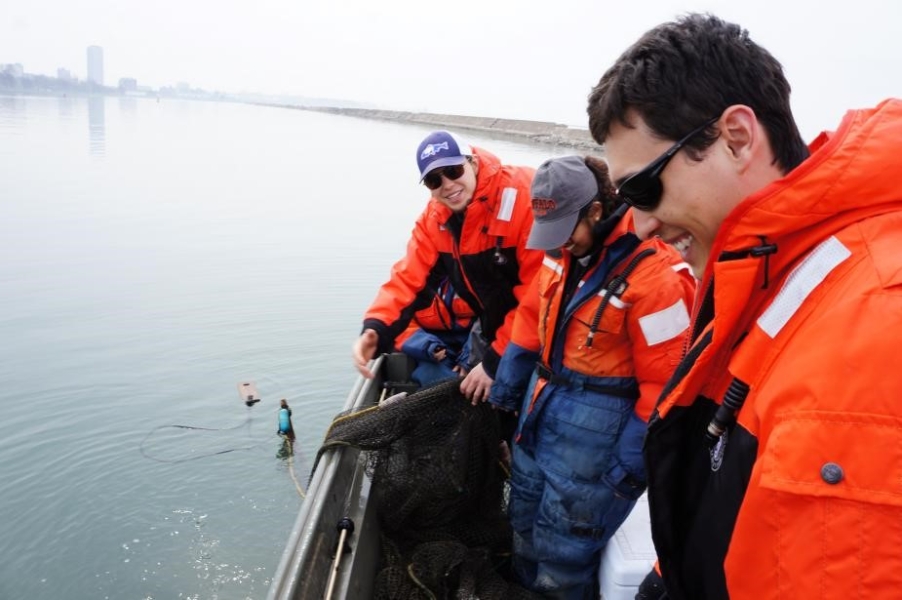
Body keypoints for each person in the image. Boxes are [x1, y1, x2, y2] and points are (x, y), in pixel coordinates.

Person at [587, 13, 902, 600]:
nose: (641, 224)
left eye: (643, 189)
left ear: (736, 137)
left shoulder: (880, 318)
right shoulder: (767, 274)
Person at [488, 155, 696, 599]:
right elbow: (529, 322)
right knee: (522, 527)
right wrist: (505, 395)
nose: (560, 245)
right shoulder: (560, 255)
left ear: (596, 211)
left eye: (567, 231)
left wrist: (626, 470)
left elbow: (667, 388)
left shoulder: (657, 279)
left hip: (594, 454)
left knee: (564, 557)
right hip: (536, 423)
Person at [352, 130, 544, 405]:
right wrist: (376, 329)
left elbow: (539, 295)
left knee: (513, 401)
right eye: (434, 180)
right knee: (478, 398)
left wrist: (494, 361)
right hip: (499, 327)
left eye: (453, 170)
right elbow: (408, 279)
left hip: (546, 328)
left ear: (473, 162)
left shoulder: (525, 195)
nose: (447, 184)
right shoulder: (435, 219)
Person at [393, 277, 476, 387]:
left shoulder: (477, 274)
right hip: (433, 346)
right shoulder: (407, 281)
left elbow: (491, 322)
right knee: (430, 373)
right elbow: (398, 325)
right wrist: (430, 347)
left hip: (473, 343)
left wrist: (469, 359)